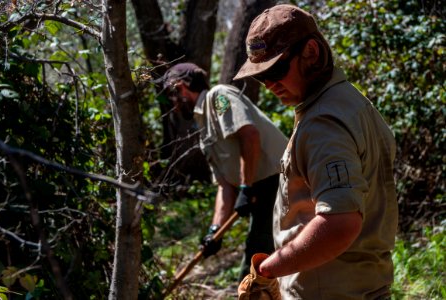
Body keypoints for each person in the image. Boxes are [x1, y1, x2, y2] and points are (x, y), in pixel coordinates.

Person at [234, 4, 398, 299]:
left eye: (276, 70)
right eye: (260, 76)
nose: (270, 84)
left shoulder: (323, 123)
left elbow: (339, 223)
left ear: (311, 52)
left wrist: (269, 270)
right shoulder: (351, 103)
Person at [158, 62, 288, 280]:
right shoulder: (203, 129)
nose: (174, 104)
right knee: (262, 257)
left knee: (258, 260)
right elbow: (225, 186)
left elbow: (250, 135)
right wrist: (214, 232)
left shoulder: (220, 96)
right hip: (260, 192)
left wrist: (246, 187)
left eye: (173, 96)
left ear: (181, 87)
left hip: (280, 181)